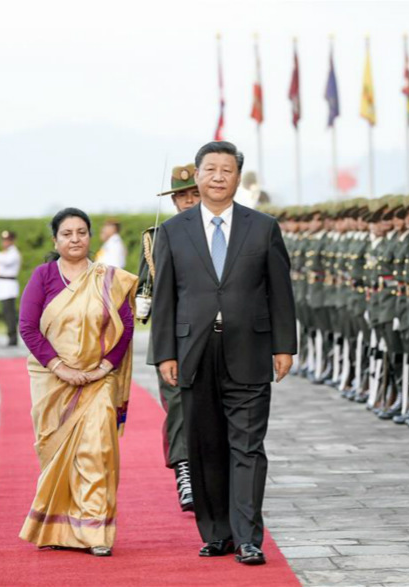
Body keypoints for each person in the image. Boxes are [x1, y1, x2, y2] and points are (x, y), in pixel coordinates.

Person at [152, 141, 296, 565]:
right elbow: (164, 299)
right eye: (210, 169)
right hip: (194, 352)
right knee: (205, 445)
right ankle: (217, 532)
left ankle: (248, 536)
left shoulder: (263, 227)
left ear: (237, 177)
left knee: (248, 446)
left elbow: (280, 291)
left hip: (249, 349)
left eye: (226, 170)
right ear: (197, 176)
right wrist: (165, 353)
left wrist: (284, 345)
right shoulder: (173, 232)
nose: (218, 176)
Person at [18, 208, 137, 557]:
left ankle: (95, 531)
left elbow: (125, 326)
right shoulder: (43, 276)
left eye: (81, 232)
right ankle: (57, 527)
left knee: (97, 450)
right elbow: (28, 327)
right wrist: (59, 367)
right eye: (67, 233)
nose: (75, 239)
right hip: (52, 381)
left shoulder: (108, 278)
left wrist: (103, 367)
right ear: (56, 240)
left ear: (90, 236)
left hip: (97, 379)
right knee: (57, 457)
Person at [137, 163, 201, 512]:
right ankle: (185, 470)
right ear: (173, 201)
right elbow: (145, 293)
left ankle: (211, 472)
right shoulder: (156, 237)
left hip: (211, 334)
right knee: (177, 406)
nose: (188, 201)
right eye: (182, 196)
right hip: (173, 338)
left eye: (194, 194)